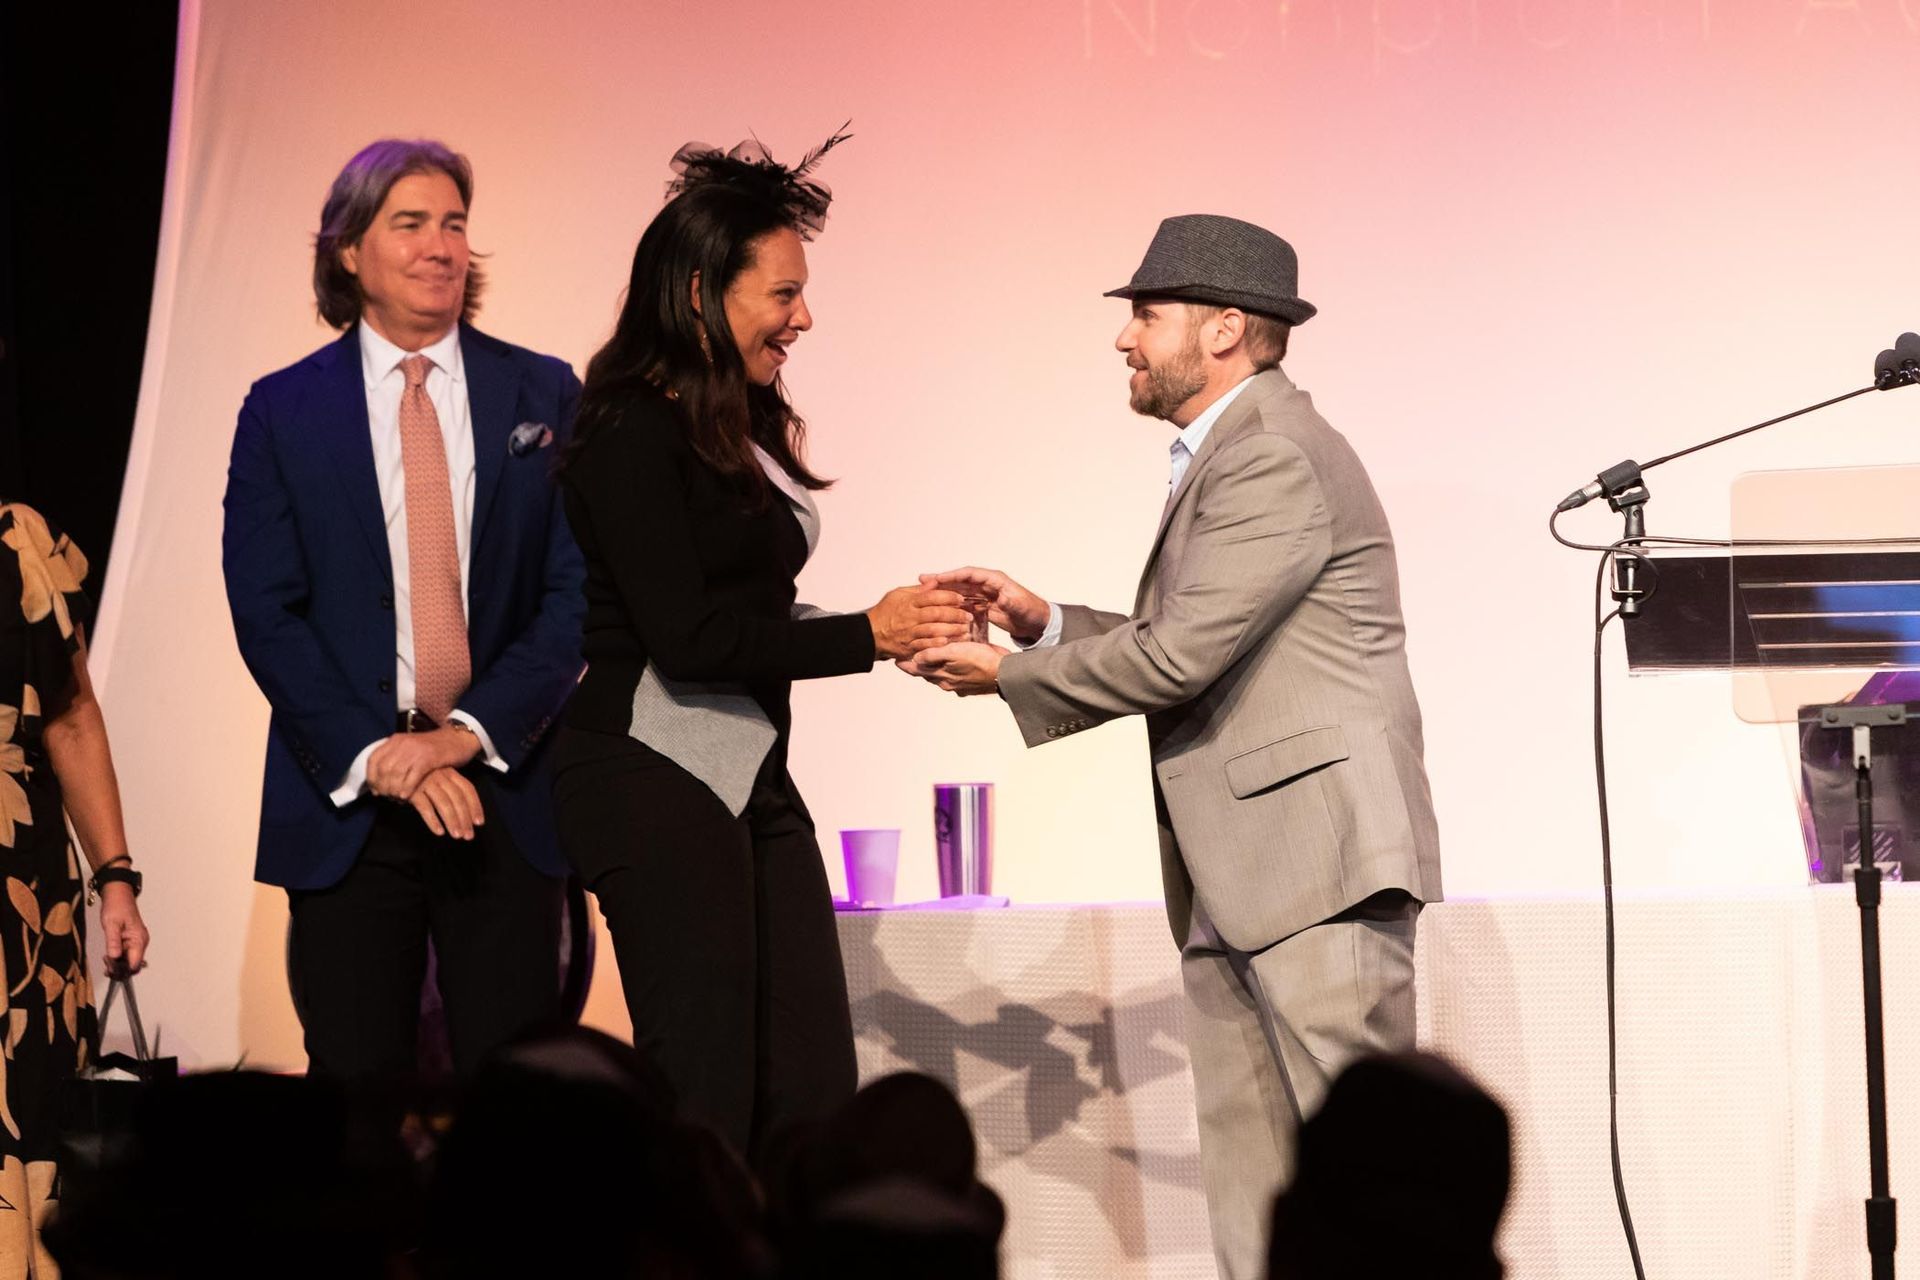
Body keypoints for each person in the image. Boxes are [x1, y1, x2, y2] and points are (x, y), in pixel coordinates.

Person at [905, 214, 1442, 1278]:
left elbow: (1180, 657)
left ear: (1227, 329)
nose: (1126, 340)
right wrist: (1047, 625)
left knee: (1374, 1207)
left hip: (1315, 878)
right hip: (1244, 878)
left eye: (1147, 316)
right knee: (1258, 1203)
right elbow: (1193, 639)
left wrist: (1007, 674)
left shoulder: (1275, 454)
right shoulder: (1241, 450)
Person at [550, 130, 972, 1163]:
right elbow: (686, 636)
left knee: (813, 1089)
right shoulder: (625, 429)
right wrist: (864, 636)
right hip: (649, 768)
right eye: (782, 293)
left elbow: (746, 604)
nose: (804, 316)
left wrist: (895, 625)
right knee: (708, 1091)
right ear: (701, 290)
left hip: (747, 769)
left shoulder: (737, 418)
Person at [222, 139, 585, 1085]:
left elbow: (575, 594)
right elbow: (266, 611)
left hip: (498, 793)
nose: (441, 246)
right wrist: (385, 756)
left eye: (455, 224)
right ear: (348, 250)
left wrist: (463, 735)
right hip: (350, 803)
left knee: (521, 1103)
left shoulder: (543, 390)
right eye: (411, 223)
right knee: (353, 1103)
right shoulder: (282, 409)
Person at [0, 501, 149, 1274]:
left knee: (31, 1098)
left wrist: (115, 878)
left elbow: (72, 718)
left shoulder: (19, 538)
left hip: (20, 888)